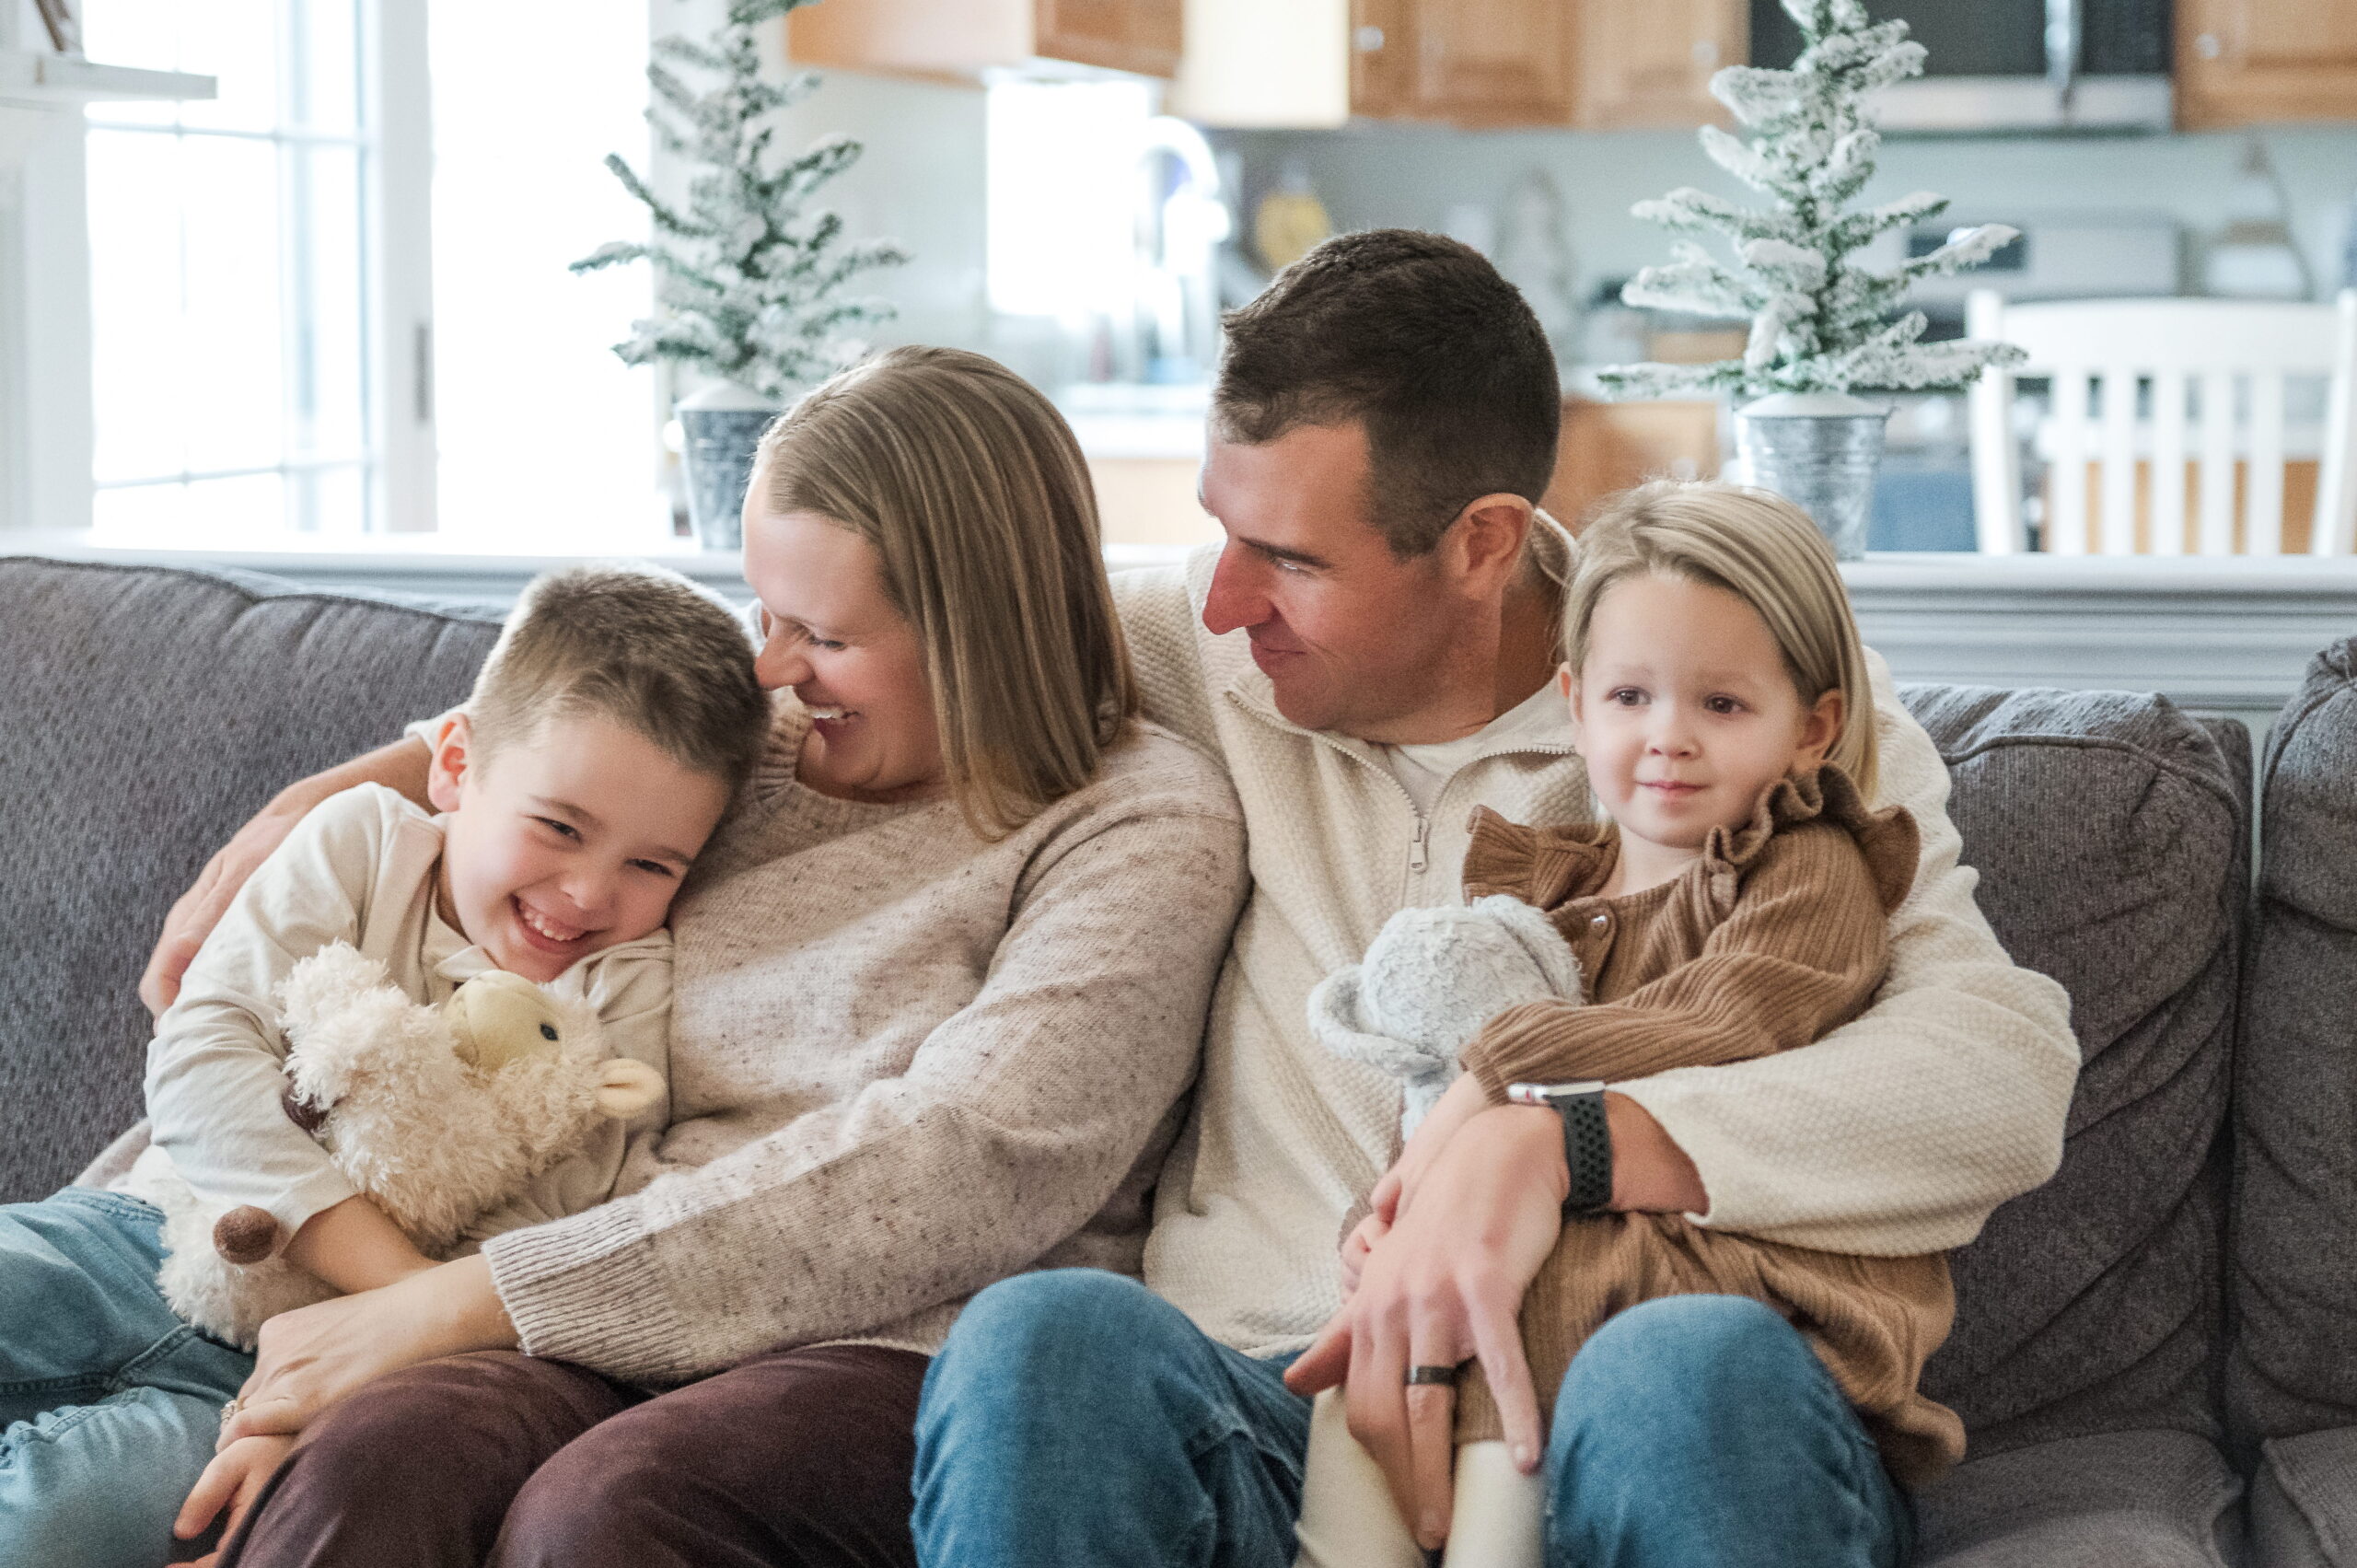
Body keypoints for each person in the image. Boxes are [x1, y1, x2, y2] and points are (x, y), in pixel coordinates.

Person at [909, 231, 2077, 1568]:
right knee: (1038, 1339)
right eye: (1217, 531)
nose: (1226, 599)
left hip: (1617, 1407)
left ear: (1482, 544)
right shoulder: (1197, 648)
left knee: (1683, 1371)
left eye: (1288, 556)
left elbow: (1998, 1070)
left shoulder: (1727, 710)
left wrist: (1560, 1142)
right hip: (1267, 1402)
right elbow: (888, 654)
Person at [134, 346, 1248, 1568]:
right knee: (371, 1463)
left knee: (610, 1512)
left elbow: (966, 1159)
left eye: (818, 631)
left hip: (880, 1339)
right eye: (764, 612)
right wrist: (319, 797)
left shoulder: (1135, 822)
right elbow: (527, 737)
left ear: (980, 628)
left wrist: (466, 1299)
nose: (768, 663)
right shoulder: (752, 742)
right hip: (579, 1309)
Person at [0, 563, 766, 1568]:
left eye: (652, 864)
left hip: (278, 1378)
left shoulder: (624, 988)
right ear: (454, 763)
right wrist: (399, 1293)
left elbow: (546, 1226)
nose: (586, 892)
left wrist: (333, 1387)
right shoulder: (360, 839)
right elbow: (203, 1048)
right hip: (136, 1238)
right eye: (560, 826)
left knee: (55, 1525)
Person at [1294, 480, 1966, 1568]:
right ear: (1575, 701)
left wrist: (1506, 1061)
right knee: (1357, 1370)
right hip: (1503, 1331)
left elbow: (1729, 1011)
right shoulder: (1533, 904)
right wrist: (1389, 1223)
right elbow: (1435, 1118)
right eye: (1630, 697)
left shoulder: (1806, 868)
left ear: (1815, 727)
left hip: (1717, 1359)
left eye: (1722, 705)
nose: (1668, 739)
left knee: (1584, 1404)